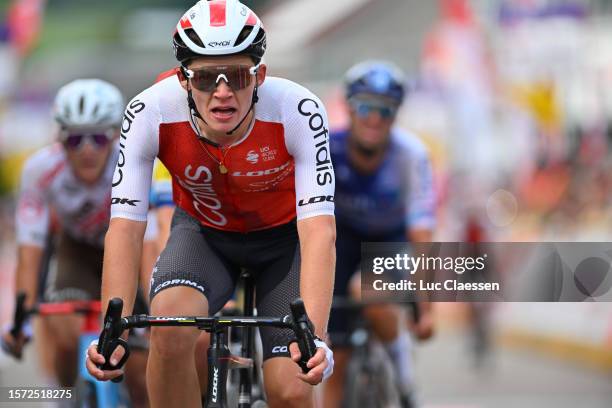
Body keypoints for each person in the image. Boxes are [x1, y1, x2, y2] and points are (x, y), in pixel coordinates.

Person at [85, 1, 336, 407]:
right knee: (167, 328)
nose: (222, 91)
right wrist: (112, 331)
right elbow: (126, 227)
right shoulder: (149, 110)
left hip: (285, 245)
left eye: (237, 75)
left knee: (292, 388)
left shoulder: (298, 109)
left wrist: (316, 338)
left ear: (260, 76)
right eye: (204, 79)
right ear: (184, 80)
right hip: (204, 237)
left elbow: (320, 229)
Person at [0, 79, 151, 407]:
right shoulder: (40, 169)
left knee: (140, 371)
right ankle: (63, 394)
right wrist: (21, 318)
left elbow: (150, 244)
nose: (87, 149)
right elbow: (30, 249)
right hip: (77, 251)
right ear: (59, 138)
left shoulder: (133, 164)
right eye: (74, 139)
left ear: (115, 136)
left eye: (97, 137)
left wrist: (153, 308)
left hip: (132, 250)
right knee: (64, 332)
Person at [324, 61, 437, 407]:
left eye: (386, 110)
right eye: (365, 106)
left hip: (390, 239)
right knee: (335, 357)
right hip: (341, 240)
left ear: (396, 114)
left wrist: (425, 308)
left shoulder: (410, 155)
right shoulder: (327, 147)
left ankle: (404, 380)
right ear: (349, 107)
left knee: (367, 291)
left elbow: (421, 233)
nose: (375, 117)